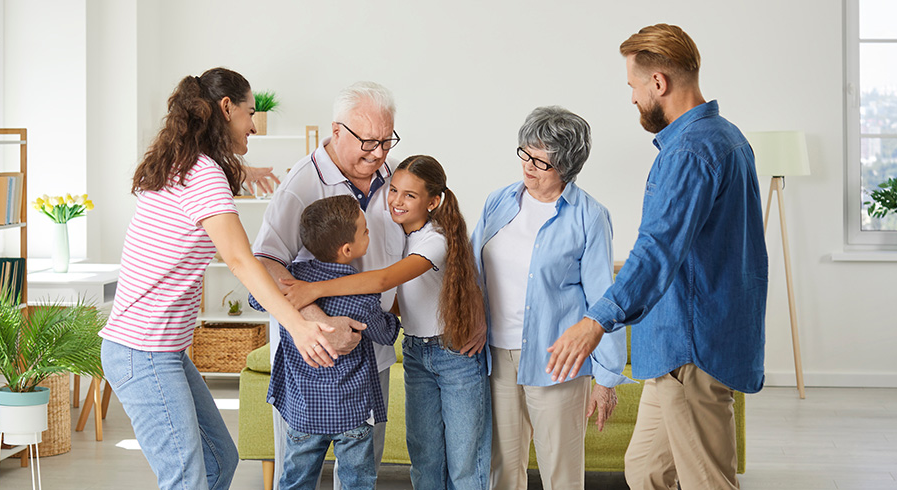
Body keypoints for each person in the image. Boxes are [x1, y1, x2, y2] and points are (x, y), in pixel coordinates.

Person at [546, 24, 768, 490]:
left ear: (659, 83)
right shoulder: (727, 137)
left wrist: (595, 321)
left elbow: (657, 250)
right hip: (680, 345)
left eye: (633, 86)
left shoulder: (689, 151)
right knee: (646, 469)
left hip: (689, 345)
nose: (632, 98)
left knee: (707, 481)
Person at [98, 67, 336, 490]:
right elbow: (241, 261)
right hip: (143, 350)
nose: (254, 126)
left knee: (220, 460)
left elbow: (209, 183)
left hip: (160, 350)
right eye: (250, 113)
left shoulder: (182, 163)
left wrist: (246, 171)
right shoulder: (204, 174)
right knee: (186, 478)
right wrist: (297, 326)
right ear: (226, 108)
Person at [282, 155, 491, 489]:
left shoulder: (436, 239)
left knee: (465, 458)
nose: (396, 200)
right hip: (416, 353)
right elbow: (401, 300)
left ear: (433, 202)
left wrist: (315, 290)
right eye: (394, 190)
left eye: (410, 195)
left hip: (453, 354)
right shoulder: (399, 237)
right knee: (425, 455)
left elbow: (383, 281)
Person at [252, 81, 405, 486]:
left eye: (386, 141)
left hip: (369, 361)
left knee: (360, 468)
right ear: (336, 131)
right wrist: (318, 322)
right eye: (368, 142)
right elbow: (264, 265)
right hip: (309, 360)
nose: (378, 153)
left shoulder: (394, 175)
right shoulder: (300, 185)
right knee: (298, 468)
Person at [471, 106, 631, 490]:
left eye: (542, 162)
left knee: (561, 474)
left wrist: (607, 378)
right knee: (501, 471)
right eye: (525, 154)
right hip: (496, 356)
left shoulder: (589, 216)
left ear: (567, 165)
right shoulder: (499, 201)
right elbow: (473, 272)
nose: (529, 167)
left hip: (558, 361)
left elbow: (603, 298)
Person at [249, 195, 401, 490]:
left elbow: (257, 297)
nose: (369, 233)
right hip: (352, 412)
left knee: (296, 481)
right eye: (365, 231)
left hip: (303, 410)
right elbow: (386, 334)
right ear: (348, 250)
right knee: (357, 483)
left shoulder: (291, 281)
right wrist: (394, 316)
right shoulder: (361, 294)